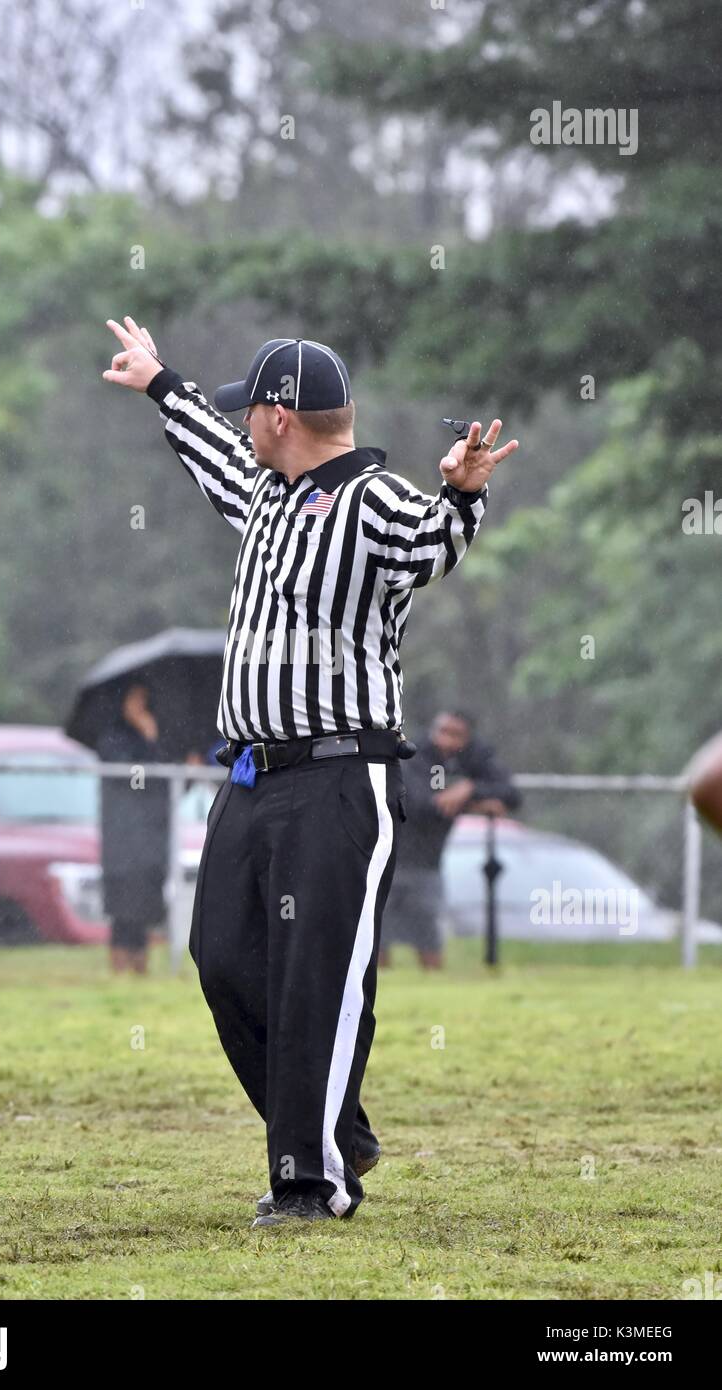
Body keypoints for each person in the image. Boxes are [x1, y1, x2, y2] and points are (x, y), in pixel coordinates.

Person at [103, 317, 519, 1227]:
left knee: (316, 979)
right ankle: (340, 1127)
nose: (242, 424)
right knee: (222, 959)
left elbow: (426, 547)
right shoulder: (264, 493)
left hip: (338, 780)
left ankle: (311, 1180)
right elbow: (210, 449)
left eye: (250, 409)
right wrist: (162, 383)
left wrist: (460, 498)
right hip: (250, 779)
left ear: (281, 416)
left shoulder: (374, 499)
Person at [381, 708, 522, 970]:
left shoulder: (474, 756)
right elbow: (420, 806)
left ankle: (432, 985)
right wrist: (476, 805)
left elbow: (511, 794)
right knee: (379, 932)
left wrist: (469, 788)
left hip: (428, 862)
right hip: (389, 854)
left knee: (428, 933)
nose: (446, 740)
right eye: (442, 731)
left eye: (455, 735)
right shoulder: (414, 752)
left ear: (466, 739)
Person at [96, 682, 167, 975]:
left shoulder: (158, 736)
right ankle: (119, 967)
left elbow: (163, 783)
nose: (139, 706)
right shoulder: (112, 739)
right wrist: (147, 740)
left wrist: (151, 738)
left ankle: (141, 968)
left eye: (143, 700)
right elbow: (133, 778)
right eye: (133, 699)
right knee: (122, 905)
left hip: (151, 837)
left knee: (144, 902)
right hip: (122, 837)